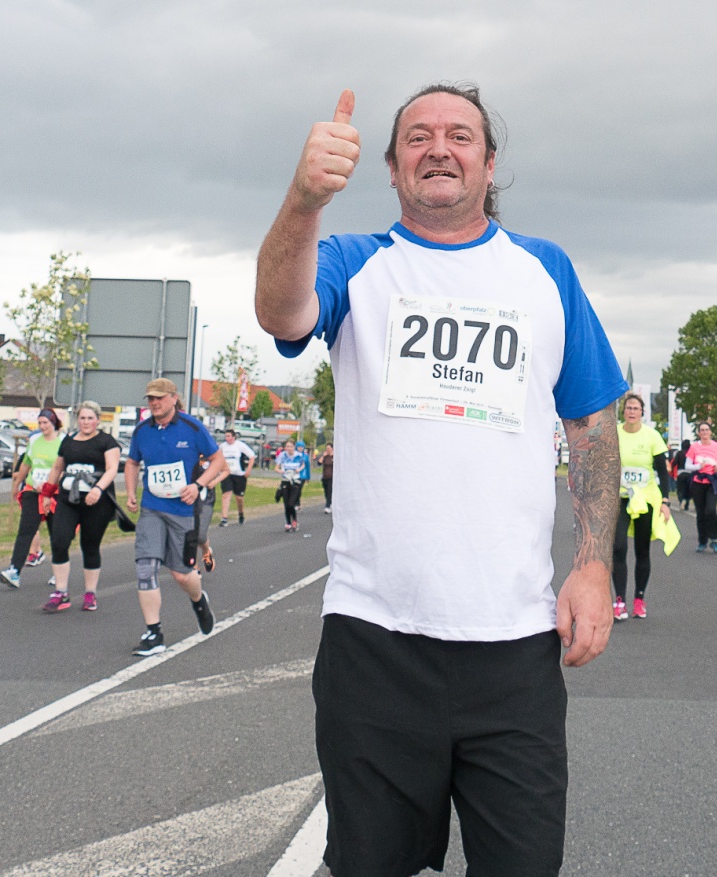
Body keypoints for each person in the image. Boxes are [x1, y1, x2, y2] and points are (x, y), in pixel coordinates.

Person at [255, 83, 627, 877]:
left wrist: (594, 564)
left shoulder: (545, 272)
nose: (439, 147)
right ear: (391, 168)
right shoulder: (355, 264)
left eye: (460, 135)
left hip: (514, 649)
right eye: (417, 136)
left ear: (489, 164)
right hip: (375, 643)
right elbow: (280, 313)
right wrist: (302, 200)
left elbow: (592, 429)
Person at [124, 379, 224, 657]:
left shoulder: (192, 427)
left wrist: (198, 485)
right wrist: (131, 491)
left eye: (159, 398)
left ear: (173, 398)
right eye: (150, 399)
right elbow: (132, 462)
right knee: (145, 568)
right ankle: (154, 633)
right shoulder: (142, 430)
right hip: (151, 509)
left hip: (182, 511)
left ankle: (198, 600)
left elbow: (218, 460)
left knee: (182, 575)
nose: (154, 403)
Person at [41, 401, 121, 612]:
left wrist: (98, 489)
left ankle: (90, 593)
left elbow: (112, 469)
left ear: (98, 420)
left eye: (90, 418)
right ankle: (61, 592)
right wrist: (47, 494)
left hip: (96, 502)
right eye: (82, 418)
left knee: (90, 545)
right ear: (77, 420)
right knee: (59, 540)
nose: (86, 422)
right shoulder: (68, 441)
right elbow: (57, 467)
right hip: (69, 499)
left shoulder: (106, 441)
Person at [612, 394, 672, 621]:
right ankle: (619, 600)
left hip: (645, 499)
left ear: (641, 413)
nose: (631, 411)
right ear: (623, 412)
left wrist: (665, 501)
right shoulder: (615, 433)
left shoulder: (652, 436)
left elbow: (662, 472)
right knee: (618, 547)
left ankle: (639, 598)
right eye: (628, 408)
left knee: (642, 550)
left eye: (636, 408)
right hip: (620, 497)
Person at [0, 409, 62, 589]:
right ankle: (14, 571)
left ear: (54, 423)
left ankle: (59, 574)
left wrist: (51, 487)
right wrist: (17, 483)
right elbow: (27, 463)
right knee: (25, 531)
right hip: (33, 492)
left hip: (54, 494)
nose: (42, 427)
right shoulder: (34, 441)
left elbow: (63, 469)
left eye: (46, 423)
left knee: (57, 534)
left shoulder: (62, 443)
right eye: (40, 423)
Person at [685, 421, 717, 553]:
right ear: (698, 433)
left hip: (712, 482)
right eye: (702, 430)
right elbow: (687, 465)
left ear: (710, 432)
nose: (704, 432)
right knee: (700, 513)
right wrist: (698, 467)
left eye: (706, 430)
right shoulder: (694, 447)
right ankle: (702, 541)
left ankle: (714, 539)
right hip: (698, 482)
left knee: (710, 510)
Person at [192, 451, 228, 572]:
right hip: (189, 498)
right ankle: (194, 566)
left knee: (200, 535)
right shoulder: (187, 451)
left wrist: (214, 482)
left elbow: (226, 470)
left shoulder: (211, 454)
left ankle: (206, 551)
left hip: (206, 499)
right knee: (189, 532)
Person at [218, 429, 256, 526]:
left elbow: (252, 456)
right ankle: (224, 518)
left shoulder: (240, 445)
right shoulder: (222, 446)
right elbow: (218, 459)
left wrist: (248, 470)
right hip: (227, 474)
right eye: (226, 436)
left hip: (239, 475)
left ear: (234, 437)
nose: (227, 438)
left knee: (239, 498)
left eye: (229, 436)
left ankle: (241, 513)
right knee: (226, 494)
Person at [275, 439, 304, 531]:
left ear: (294, 447)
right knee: (286, 504)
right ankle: (288, 522)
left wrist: (299, 469)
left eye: (290, 446)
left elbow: (303, 465)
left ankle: (294, 520)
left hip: (295, 481)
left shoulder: (299, 455)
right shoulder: (282, 455)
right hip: (285, 480)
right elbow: (276, 467)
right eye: (287, 446)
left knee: (291, 504)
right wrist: (280, 471)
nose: (289, 448)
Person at [673, 438, 692, 510]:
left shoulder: (680, 453)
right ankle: (686, 503)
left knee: (680, 489)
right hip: (690, 473)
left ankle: (681, 501)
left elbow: (675, 462)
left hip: (681, 473)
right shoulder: (691, 453)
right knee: (688, 489)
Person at [316, 442, 334, 513]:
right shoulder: (325, 456)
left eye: (329, 448)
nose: (328, 450)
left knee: (329, 491)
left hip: (331, 477)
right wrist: (323, 456)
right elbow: (319, 463)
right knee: (326, 492)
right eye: (327, 448)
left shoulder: (334, 456)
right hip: (325, 476)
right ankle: (330, 503)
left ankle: (327, 506)